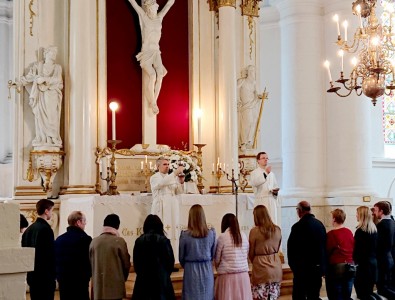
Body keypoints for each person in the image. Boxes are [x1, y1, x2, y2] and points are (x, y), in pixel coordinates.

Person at [128, 0, 175, 115]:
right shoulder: (145, 18)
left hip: (156, 52)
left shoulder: (159, 18)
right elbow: (135, 5)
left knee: (160, 75)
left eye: (155, 9)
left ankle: (154, 101)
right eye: (152, 9)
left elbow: (168, 5)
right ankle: (153, 103)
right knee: (152, 75)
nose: (154, 11)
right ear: (148, 10)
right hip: (146, 52)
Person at [19, 46, 63, 147]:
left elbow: (58, 79)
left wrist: (45, 79)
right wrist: (23, 81)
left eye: (55, 53)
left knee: (52, 117)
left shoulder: (57, 67)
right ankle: (43, 138)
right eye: (52, 52)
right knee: (40, 117)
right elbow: (30, 77)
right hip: (41, 95)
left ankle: (52, 138)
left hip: (52, 95)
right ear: (46, 53)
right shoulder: (37, 66)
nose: (54, 54)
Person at [287, 200, 326, 300]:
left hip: (301, 271)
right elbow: (323, 247)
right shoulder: (319, 225)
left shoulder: (297, 227)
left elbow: (291, 250)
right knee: (314, 296)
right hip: (316, 270)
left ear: (299, 211)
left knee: (299, 296)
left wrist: (294, 268)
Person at [132, 214, 176, 300]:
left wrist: (141, 274)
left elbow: (136, 264)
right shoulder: (164, 240)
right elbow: (170, 262)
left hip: (143, 282)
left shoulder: (139, 241)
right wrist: (164, 274)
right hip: (161, 282)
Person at [89, 214, 131, 300]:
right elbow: (126, 264)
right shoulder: (119, 241)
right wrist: (123, 278)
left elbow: (91, 263)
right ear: (117, 226)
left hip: (98, 287)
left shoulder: (94, 241)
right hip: (115, 287)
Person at [179, 204, 216, 300]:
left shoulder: (185, 235)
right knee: (206, 295)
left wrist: (187, 264)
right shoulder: (211, 233)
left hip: (191, 270)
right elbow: (213, 253)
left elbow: (181, 257)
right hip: (207, 269)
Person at [21, 199, 56, 300]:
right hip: (45, 278)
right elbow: (50, 255)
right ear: (46, 211)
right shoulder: (46, 229)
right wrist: (53, 276)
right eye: (51, 211)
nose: (52, 213)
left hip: (32, 276)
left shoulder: (28, 230)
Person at [55, 211, 92, 300]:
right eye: (84, 221)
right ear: (78, 222)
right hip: (80, 280)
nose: (85, 223)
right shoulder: (85, 239)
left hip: (63, 279)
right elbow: (89, 260)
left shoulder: (59, 239)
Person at [214, 213, 251, 300]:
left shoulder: (222, 237)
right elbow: (246, 255)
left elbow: (217, 259)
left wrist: (217, 267)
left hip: (227, 277)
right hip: (243, 277)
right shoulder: (244, 236)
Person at [249, 205, 282, 300]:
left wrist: (255, 260)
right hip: (275, 265)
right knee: (273, 297)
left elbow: (251, 252)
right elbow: (278, 247)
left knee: (259, 297)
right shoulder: (277, 229)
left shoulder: (254, 231)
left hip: (261, 267)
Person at [150, 157, 184, 242]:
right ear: (158, 166)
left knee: (173, 230)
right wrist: (175, 173)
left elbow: (179, 192)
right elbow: (162, 183)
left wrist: (181, 182)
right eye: (165, 164)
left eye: (168, 164)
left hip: (172, 206)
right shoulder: (154, 177)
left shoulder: (172, 177)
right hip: (161, 207)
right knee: (161, 230)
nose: (167, 166)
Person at [325, 209, 355, 299]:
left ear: (334, 219)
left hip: (336, 268)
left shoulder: (330, 234)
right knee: (347, 295)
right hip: (350, 266)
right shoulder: (349, 232)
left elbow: (327, 251)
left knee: (335, 295)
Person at [354, 206, 381, 300]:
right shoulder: (374, 230)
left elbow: (357, 250)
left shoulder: (360, 231)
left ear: (362, 215)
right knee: (369, 292)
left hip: (363, 266)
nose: (356, 215)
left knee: (362, 294)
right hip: (373, 264)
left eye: (357, 213)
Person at [237, 65, 265, 151]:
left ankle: (249, 141)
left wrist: (261, 96)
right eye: (251, 71)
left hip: (253, 104)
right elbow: (235, 91)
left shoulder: (254, 83)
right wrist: (237, 100)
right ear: (247, 72)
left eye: (254, 71)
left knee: (253, 121)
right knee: (247, 122)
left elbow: (256, 94)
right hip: (245, 106)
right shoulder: (241, 81)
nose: (253, 73)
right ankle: (243, 142)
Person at [249, 152, 280, 225]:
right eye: (263, 158)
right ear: (258, 160)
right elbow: (255, 183)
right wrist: (266, 173)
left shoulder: (272, 174)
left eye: (267, 158)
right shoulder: (254, 173)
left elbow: (275, 185)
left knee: (272, 223)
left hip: (271, 201)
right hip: (261, 201)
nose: (266, 160)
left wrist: (275, 192)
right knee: (262, 224)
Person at [372, 201, 395, 298]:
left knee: (382, 289)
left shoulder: (381, 225)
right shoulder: (393, 222)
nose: (374, 213)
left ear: (381, 211)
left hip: (382, 259)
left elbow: (377, 244)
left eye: (376, 210)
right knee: (388, 286)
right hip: (390, 258)